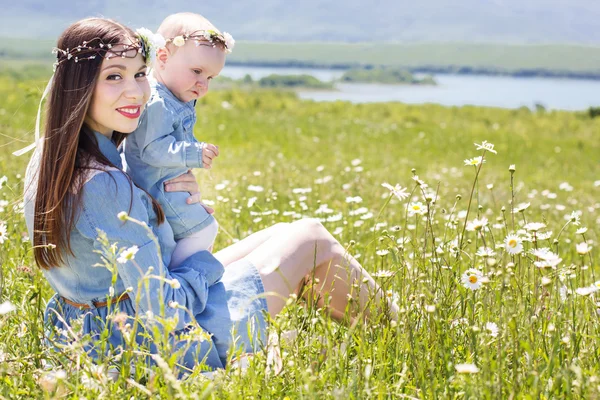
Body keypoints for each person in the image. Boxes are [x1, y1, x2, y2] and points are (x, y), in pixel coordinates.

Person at [22, 17, 398, 374]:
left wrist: (165, 205)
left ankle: (391, 329)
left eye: (140, 74)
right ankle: (404, 335)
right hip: (143, 342)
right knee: (311, 237)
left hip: (90, 325)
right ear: (78, 85)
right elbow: (164, 309)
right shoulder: (103, 184)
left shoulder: (52, 156)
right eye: (114, 77)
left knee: (285, 231)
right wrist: (205, 269)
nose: (135, 90)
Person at [124, 13, 232, 267]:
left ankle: (178, 272)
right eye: (196, 71)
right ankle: (176, 278)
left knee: (195, 230)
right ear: (162, 57)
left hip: (166, 184)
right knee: (204, 229)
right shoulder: (158, 102)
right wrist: (194, 153)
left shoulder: (175, 98)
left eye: (210, 78)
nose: (202, 84)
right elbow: (153, 149)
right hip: (157, 187)